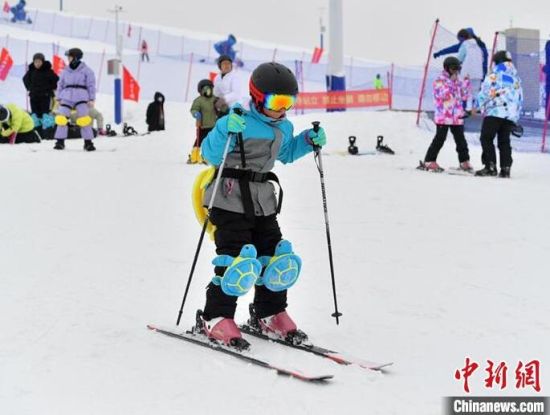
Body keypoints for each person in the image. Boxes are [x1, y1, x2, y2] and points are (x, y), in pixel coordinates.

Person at [197, 62, 327, 350]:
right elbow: (210, 154)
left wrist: (307, 141)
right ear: (257, 97)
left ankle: (269, 313)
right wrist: (223, 128)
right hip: (228, 199)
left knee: (275, 257)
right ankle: (215, 317)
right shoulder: (238, 120)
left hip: (263, 201)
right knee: (236, 260)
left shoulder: (284, 126)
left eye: (289, 103)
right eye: (277, 102)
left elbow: (286, 153)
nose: (283, 109)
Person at [475, 51, 523, 178]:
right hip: (509, 115)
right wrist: (515, 116)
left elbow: (485, 93)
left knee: (486, 138)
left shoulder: (494, 75)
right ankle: (505, 169)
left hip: (494, 112)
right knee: (504, 141)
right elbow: (520, 98)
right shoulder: (516, 79)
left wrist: (477, 106)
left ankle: (490, 166)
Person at [420, 57, 472, 172]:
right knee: (440, 138)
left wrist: (466, 83)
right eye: (453, 69)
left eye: (457, 69)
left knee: (461, 140)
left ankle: (464, 161)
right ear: (447, 68)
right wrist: (451, 82)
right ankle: (429, 160)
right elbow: (443, 95)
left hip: (457, 116)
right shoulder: (439, 80)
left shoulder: (457, 81)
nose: (455, 72)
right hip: (444, 116)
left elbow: (464, 96)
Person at [53, 48, 96, 151]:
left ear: (76, 57)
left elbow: (91, 85)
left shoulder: (87, 70)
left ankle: (88, 143)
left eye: (70, 56)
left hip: (81, 96)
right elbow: (60, 84)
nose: (68, 58)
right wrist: (58, 97)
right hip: (67, 96)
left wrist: (91, 99)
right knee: (61, 118)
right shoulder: (65, 70)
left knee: (84, 118)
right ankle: (60, 142)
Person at [22, 53, 59, 122]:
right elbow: (25, 79)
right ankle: (37, 127)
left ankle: (47, 127)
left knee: (45, 114)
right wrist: (30, 88)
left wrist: (51, 88)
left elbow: (56, 80)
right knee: (35, 114)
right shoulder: (31, 71)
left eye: (39, 62)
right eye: (35, 62)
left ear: (43, 61)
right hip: (34, 96)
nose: (37, 64)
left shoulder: (48, 71)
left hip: (45, 96)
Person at [188, 79, 218, 164]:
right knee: (199, 141)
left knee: (212, 142)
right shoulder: (199, 100)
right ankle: (194, 156)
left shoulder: (215, 99)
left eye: (209, 88)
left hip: (213, 126)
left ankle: (207, 157)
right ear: (200, 90)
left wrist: (223, 108)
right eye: (205, 89)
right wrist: (196, 113)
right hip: (203, 125)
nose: (208, 91)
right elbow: (194, 109)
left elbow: (223, 108)